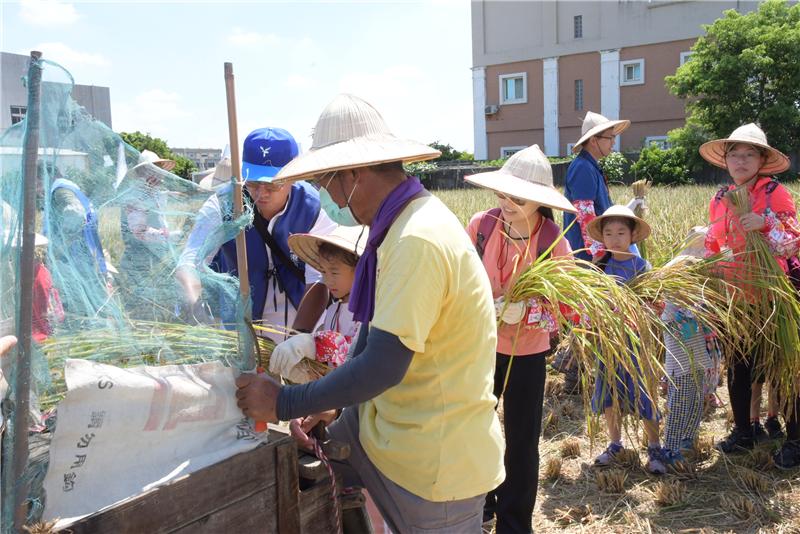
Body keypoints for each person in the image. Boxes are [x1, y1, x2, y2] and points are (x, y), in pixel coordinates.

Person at [235, 94, 505, 533]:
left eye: (328, 182)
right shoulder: (394, 229)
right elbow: (372, 337)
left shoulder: (416, 239)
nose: (328, 196)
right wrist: (328, 405)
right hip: (398, 439)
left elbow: (382, 363)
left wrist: (284, 401)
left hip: (436, 465)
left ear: (355, 175)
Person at [463, 145, 576, 533]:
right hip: (480, 345)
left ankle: (515, 523)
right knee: (475, 427)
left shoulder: (552, 242)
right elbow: (461, 280)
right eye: (504, 193)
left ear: (539, 201)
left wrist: (526, 312)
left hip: (527, 352)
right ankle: (481, 503)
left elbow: (566, 308)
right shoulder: (481, 225)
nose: (507, 202)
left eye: (519, 197)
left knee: (521, 439)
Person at [699, 123, 800, 468]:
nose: (741, 161)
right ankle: (745, 432)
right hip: (735, 296)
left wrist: (766, 224)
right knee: (739, 367)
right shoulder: (720, 198)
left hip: (772, 297)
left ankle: (795, 440)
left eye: (749, 154)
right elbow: (715, 244)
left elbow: (791, 243)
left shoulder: (774, 193)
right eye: (734, 154)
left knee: (782, 367)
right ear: (725, 160)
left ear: (761, 159)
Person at [177, 127, 335, 340]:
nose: (261, 193)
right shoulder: (222, 205)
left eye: (272, 185)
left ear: (293, 176)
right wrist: (193, 306)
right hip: (240, 324)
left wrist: (299, 337)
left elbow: (319, 280)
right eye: (253, 183)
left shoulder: (314, 209)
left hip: (300, 319)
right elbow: (190, 261)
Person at [585, 205, 669, 474]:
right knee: (609, 395)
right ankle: (615, 443)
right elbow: (589, 303)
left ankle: (655, 447)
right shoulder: (598, 266)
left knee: (645, 395)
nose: (615, 238)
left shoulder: (642, 267)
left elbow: (657, 304)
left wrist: (639, 310)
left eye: (621, 232)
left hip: (636, 343)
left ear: (633, 235)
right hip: (608, 343)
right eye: (608, 233)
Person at [269, 224, 367, 383]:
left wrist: (313, 343)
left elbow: (356, 353)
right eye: (323, 272)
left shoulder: (371, 312)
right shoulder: (333, 311)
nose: (327, 280)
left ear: (362, 270)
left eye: (334, 272)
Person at [659, 228, 720, 461]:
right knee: (679, 405)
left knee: (695, 402)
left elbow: (703, 325)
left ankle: (688, 438)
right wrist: (699, 315)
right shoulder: (674, 302)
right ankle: (671, 448)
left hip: (696, 360)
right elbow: (686, 327)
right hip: (680, 364)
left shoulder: (696, 296)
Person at [563, 111, 638, 262]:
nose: (613, 143)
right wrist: (598, 253)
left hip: (596, 250)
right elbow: (585, 213)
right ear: (593, 140)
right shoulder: (583, 168)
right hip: (587, 256)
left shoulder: (590, 166)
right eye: (610, 138)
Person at [118, 150, 179, 320]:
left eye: (160, 169)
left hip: (156, 260)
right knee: (144, 311)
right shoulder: (135, 196)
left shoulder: (157, 194)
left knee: (161, 309)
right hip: (139, 264)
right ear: (142, 173)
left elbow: (161, 220)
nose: (159, 175)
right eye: (154, 170)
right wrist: (171, 237)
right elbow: (140, 232)